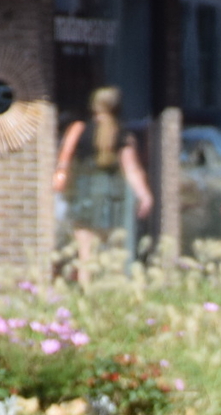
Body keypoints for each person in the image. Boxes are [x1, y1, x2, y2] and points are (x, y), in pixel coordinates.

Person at [52, 87, 154, 278]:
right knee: (114, 249)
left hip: (83, 193)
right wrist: (144, 195)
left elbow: (64, 159)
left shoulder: (79, 130)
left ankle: (85, 290)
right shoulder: (122, 135)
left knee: (85, 251)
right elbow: (131, 169)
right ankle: (111, 290)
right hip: (110, 196)